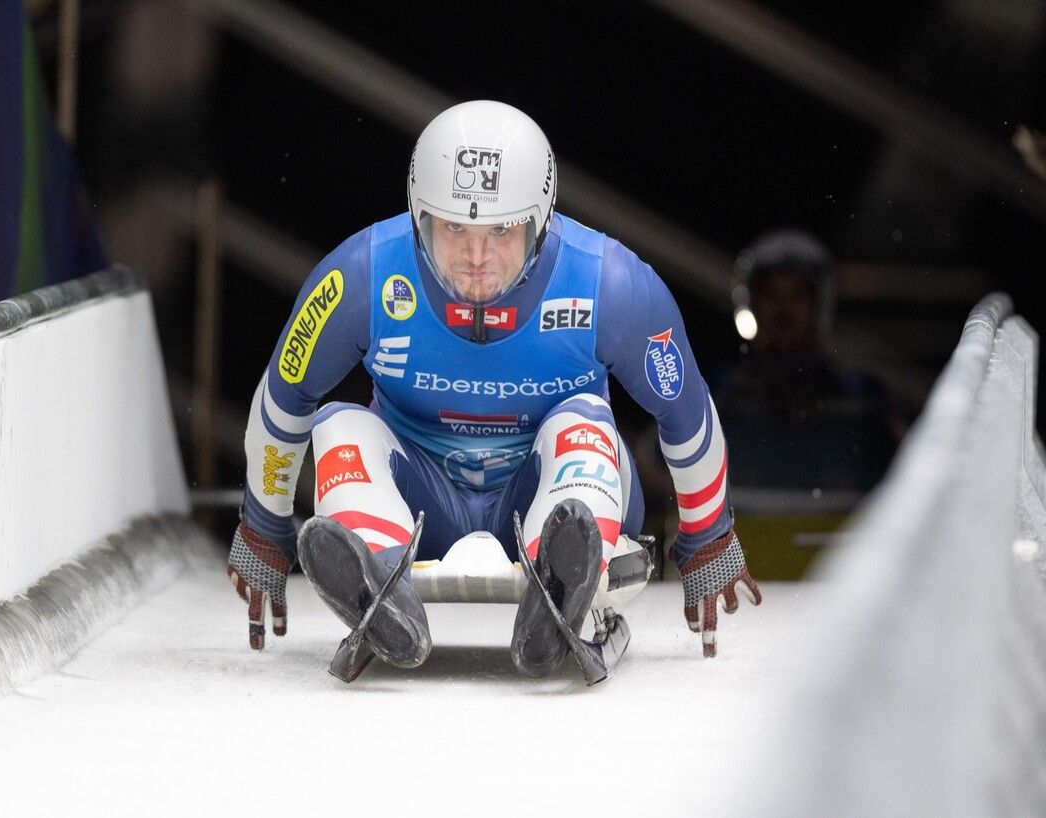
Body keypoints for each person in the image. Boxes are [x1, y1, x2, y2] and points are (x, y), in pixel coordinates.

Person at [227, 100, 760, 675]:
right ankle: (381, 586)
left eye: (502, 230)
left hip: (549, 485)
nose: (476, 259)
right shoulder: (361, 275)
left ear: (542, 218)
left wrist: (707, 537)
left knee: (581, 419)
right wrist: (264, 527)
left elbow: (684, 410)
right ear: (418, 215)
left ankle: (559, 577)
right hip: (420, 499)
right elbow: (285, 397)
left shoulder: (612, 284)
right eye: (454, 228)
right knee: (338, 424)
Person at [715, 230, 905, 491]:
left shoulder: (865, 401)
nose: (784, 310)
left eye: (798, 296)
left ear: (820, 307)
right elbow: (656, 475)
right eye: (771, 296)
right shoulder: (715, 398)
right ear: (752, 305)